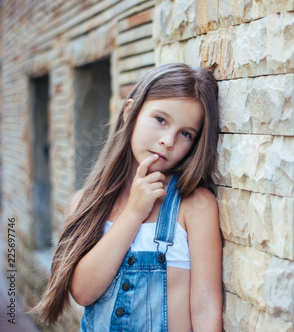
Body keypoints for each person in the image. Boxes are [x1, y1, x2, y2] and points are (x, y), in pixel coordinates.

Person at [31, 63, 223, 331]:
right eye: (161, 120)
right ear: (130, 110)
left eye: (185, 134)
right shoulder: (86, 203)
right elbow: (83, 292)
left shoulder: (195, 206)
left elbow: (206, 311)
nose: (168, 140)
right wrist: (134, 212)